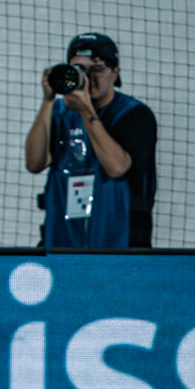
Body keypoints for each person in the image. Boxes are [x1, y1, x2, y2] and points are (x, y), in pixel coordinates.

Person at [24, 32, 158, 249]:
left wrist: (86, 110)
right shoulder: (59, 113)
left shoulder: (135, 114)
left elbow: (117, 167)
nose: (88, 77)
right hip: (63, 236)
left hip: (120, 240)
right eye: (78, 69)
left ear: (115, 72)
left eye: (96, 69)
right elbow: (34, 163)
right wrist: (48, 100)